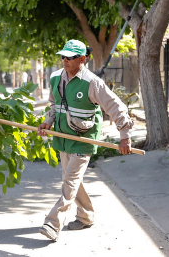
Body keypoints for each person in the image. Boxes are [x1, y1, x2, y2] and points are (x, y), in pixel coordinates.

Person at [37, 39, 133, 242]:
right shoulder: (56, 79)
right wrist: (47, 122)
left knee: (69, 182)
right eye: (63, 56)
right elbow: (54, 106)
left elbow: (116, 107)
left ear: (83, 59)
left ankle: (53, 223)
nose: (65, 60)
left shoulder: (92, 83)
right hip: (63, 139)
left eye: (70, 57)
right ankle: (86, 216)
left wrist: (125, 136)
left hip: (83, 140)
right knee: (71, 181)